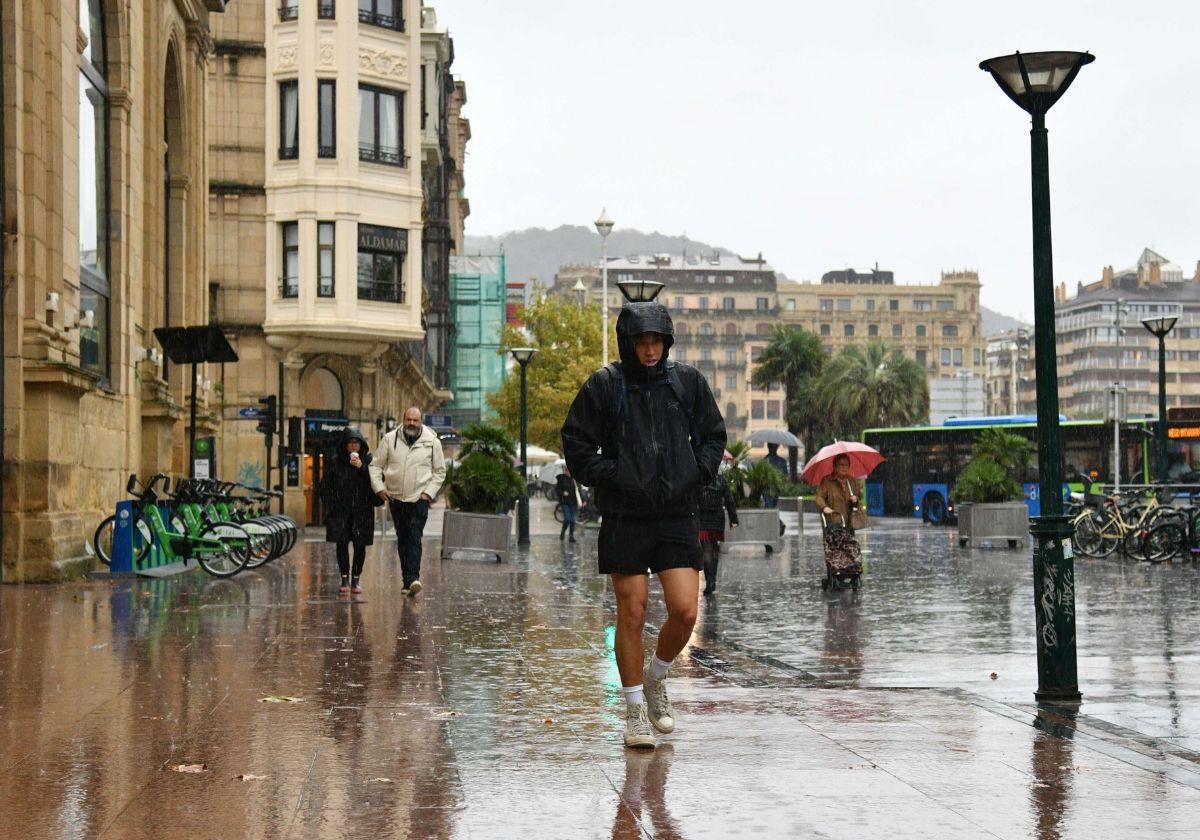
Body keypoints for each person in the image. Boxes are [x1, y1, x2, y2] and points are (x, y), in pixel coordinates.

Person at [562, 299, 726, 750]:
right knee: (631, 611)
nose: (650, 350)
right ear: (627, 344)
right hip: (625, 515)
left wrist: (695, 473)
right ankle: (634, 711)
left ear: (667, 342)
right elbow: (576, 443)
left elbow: (713, 437)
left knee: (685, 610)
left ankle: (656, 677)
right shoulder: (605, 385)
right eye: (642, 342)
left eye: (656, 341)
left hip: (677, 512)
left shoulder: (688, 383)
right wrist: (615, 476)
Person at [370, 407, 447, 596]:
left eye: (415, 420)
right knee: (402, 538)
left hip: (419, 499)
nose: (412, 423)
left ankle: (413, 577)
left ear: (421, 422)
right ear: (403, 420)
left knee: (413, 536)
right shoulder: (389, 439)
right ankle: (407, 582)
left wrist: (427, 494)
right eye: (409, 419)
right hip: (396, 498)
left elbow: (440, 471)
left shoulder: (432, 442)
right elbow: (375, 466)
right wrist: (379, 489)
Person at [321, 427, 379, 595]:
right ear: (345, 445)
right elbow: (325, 486)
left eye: (357, 443)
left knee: (360, 546)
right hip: (341, 512)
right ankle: (344, 577)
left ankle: (356, 578)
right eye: (350, 442)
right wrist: (331, 505)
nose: (354, 446)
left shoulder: (369, 461)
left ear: (362, 445)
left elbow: (376, 484)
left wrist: (361, 467)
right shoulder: (336, 461)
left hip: (362, 512)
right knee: (342, 544)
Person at [698, 472, 738, 595]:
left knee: (706, 549)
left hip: (703, 517)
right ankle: (712, 579)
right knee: (715, 548)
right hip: (717, 518)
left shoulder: (699, 478)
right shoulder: (721, 479)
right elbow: (729, 500)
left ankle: (709, 578)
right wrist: (733, 519)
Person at [556, 466, 582, 543]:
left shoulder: (575, 480)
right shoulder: (561, 479)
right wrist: (563, 493)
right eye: (567, 471)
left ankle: (571, 536)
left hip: (573, 502)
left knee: (572, 520)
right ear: (565, 471)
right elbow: (557, 490)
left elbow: (578, 491)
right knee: (567, 519)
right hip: (565, 502)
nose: (569, 472)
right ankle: (563, 532)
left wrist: (583, 500)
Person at [762, 443, 788, 509]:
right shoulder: (782, 461)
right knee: (771, 506)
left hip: (768, 487)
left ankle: (770, 518)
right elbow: (785, 476)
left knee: (770, 506)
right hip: (773, 487)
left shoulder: (764, 461)